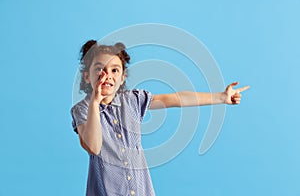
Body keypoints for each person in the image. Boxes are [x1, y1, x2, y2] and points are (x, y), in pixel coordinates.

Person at [71, 40, 250, 196]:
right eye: (99, 69)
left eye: (114, 70)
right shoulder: (82, 109)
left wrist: (221, 97)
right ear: (87, 76)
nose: (107, 75)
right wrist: (95, 101)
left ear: (122, 77)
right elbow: (93, 147)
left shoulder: (132, 100)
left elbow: (175, 99)